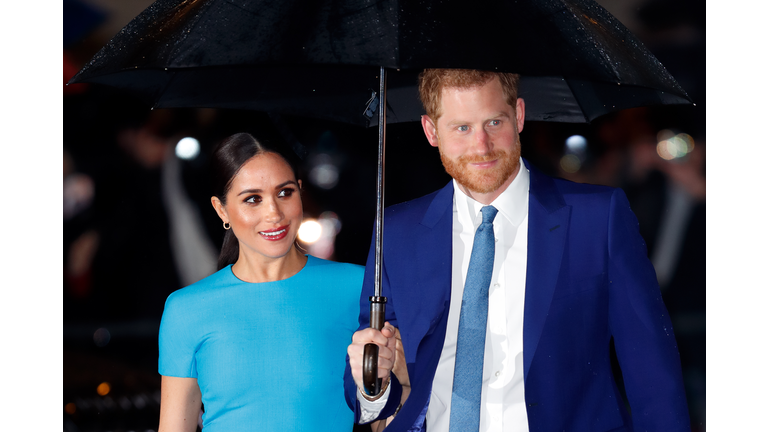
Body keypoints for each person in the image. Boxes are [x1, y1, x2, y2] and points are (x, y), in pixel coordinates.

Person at [344, 69, 690, 431]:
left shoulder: (597, 218)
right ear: (432, 131)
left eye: (494, 122)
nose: (482, 145)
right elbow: (371, 387)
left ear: (519, 115)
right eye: (462, 128)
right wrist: (373, 383)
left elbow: (651, 368)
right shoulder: (397, 231)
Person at [158, 133, 364, 431]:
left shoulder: (357, 288)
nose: (274, 213)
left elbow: (386, 418)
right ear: (221, 209)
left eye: (285, 193)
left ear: (300, 192)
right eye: (253, 199)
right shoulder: (186, 309)